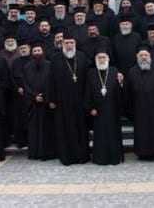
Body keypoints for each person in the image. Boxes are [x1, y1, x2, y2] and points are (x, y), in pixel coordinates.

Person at [48, 33, 90, 165]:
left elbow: (89, 80)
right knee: (65, 129)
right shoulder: (55, 59)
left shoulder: (82, 57)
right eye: (67, 43)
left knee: (81, 128)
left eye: (72, 43)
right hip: (62, 101)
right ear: (62, 44)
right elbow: (50, 80)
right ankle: (67, 157)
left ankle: (82, 156)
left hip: (80, 100)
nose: (69, 45)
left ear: (75, 44)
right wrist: (52, 99)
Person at [125, 46, 154, 160]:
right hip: (139, 109)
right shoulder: (132, 72)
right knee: (142, 132)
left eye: (146, 55)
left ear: (150, 57)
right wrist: (130, 112)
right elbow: (127, 93)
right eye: (141, 55)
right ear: (137, 57)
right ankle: (143, 153)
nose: (143, 57)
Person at [85, 52, 125, 165]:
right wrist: (90, 107)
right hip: (98, 110)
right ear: (96, 59)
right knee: (100, 134)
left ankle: (114, 158)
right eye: (99, 58)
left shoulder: (114, 71)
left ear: (108, 59)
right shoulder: (91, 73)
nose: (101, 59)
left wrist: (121, 83)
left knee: (113, 133)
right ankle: (100, 158)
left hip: (112, 109)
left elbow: (119, 90)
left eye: (103, 57)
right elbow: (87, 91)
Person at [23, 42, 56, 160]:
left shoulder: (50, 65)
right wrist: (34, 96)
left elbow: (52, 83)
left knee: (47, 129)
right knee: (34, 130)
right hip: (33, 104)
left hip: (46, 103)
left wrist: (45, 96)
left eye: (39, 51)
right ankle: (35, 153)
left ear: (43, 52)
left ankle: (47, 153)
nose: (37, 53)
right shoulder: (27, 67)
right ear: (32, 53)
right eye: (35, 51)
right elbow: (25, 84)